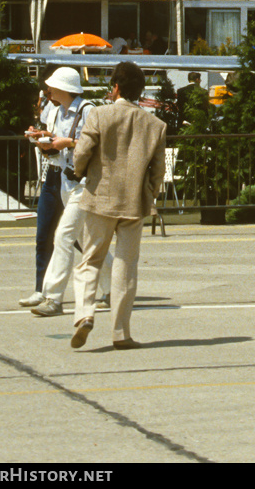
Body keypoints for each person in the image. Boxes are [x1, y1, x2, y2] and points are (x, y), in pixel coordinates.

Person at [68, 61, 167, 350]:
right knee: (126, 267)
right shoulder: (155, 125)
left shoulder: (99, 115)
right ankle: (121, 333)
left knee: (90, 260)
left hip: (100, 197)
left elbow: (83, 152)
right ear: (140, 90)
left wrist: (78, 171)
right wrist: (150, 193)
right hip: (134, 202)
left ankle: (85, 314)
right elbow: (158, 171)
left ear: (115, 87)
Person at [19, 68, 91, 309]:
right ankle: (43, 291)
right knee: (63, 237)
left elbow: (95, 144)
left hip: (79, 181)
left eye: (52, 86)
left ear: (63, 87)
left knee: (65, 237)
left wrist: (66, 142)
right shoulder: (56, 111)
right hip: (57, 178)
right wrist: (45, 136)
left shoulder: (87, 111)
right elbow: (59, 139)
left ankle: (52, 297)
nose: (48, 90)